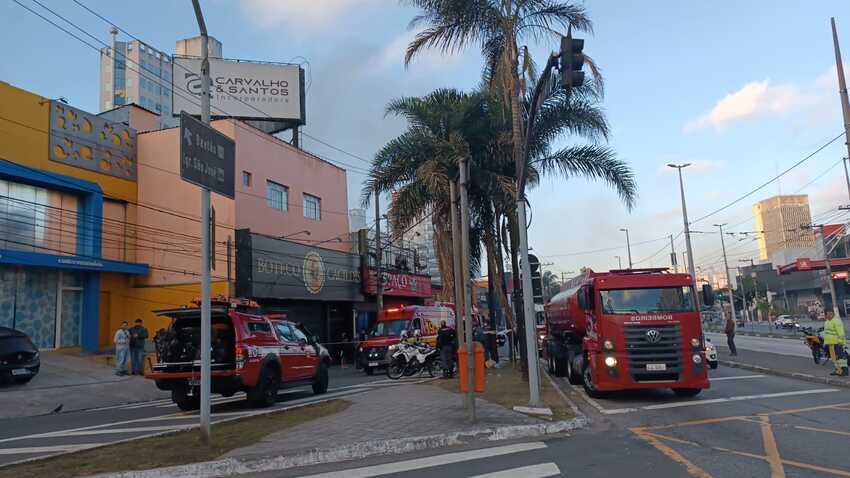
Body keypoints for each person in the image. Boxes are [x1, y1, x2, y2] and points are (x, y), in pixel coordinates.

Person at [824, 311, 848, 377]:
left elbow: (841, 333)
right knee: (834, 358)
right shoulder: (827, 322)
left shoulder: (836, 321)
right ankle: (838, 370)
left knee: (840, 358)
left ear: (832, 314)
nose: (828, 315)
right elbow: (827, 333)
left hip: (837, 343)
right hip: (830, 343)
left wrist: (840, 342)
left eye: (830, 314)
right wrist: (826, 343)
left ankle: (845, 371)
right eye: (827, 314)